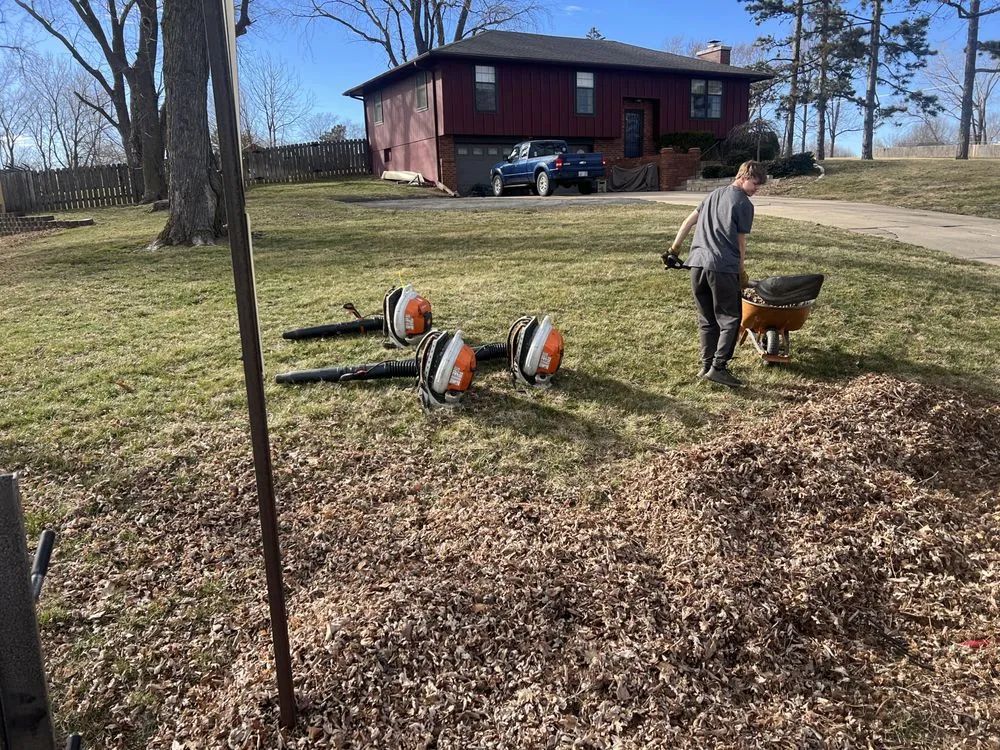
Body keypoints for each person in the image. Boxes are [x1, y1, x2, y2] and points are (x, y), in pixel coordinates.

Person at [662, 160, 767, 388]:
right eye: (755, 184)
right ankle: (718, 368)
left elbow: (688, 221)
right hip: (722, 267)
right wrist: (741, 272)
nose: (756, 189)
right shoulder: (743, 204)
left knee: (707, 319)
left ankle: (706, 365)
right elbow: (741, 244)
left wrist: (674, 249)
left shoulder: (713, 195)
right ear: (743, 177)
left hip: (697, 265)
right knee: (730, 319)